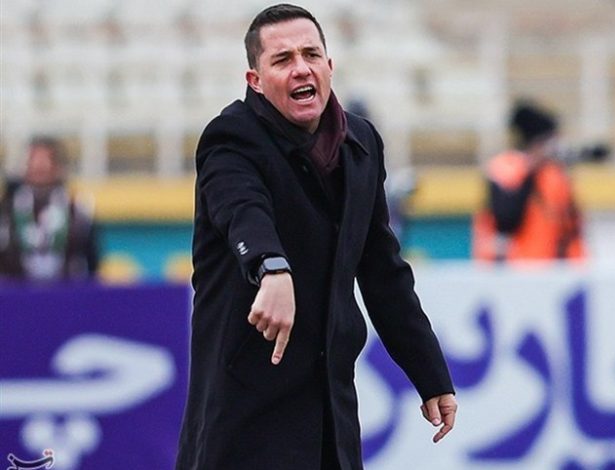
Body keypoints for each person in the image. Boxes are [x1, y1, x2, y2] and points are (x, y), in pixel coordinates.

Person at [176, 4, 457, 469]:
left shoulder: (361, 145)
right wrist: (270, 267)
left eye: (310, 54)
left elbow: (383, 273)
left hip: (331, 417)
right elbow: (242, 210)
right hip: (246, 418)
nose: (301, 68)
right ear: (255, 80)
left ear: (329, 65)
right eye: (282, 59)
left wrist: (431, 375)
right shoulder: (231, 138)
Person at [472, 101, 587, 262]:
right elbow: (506, 219)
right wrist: (532, 170)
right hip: (511, 266)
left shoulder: (553, 173)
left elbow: (568, 225)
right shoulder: (506, 166)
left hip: (551, 266)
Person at [0, 136, 99, 281]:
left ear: (59, 167)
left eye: (45, 162)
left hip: (66, 290)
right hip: (17, 290)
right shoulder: (7, 208)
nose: (39, 168)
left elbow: (91, 260)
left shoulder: (77, 208)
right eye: (34, 162)